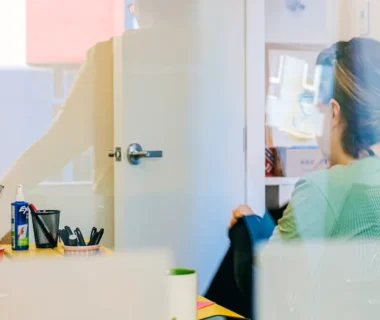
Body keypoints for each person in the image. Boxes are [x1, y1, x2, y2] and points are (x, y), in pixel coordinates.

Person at [0, 0, 196, 247]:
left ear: (145, 11)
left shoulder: (110, 57)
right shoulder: (216, 58)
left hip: (124, 212)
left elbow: (56, 145)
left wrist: (4, 191)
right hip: (197, 212)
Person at [231, 37, 380, 241]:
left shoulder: (319, 190)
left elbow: (271, 267)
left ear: (334, 113)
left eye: (317, 102)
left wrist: (245, 227)